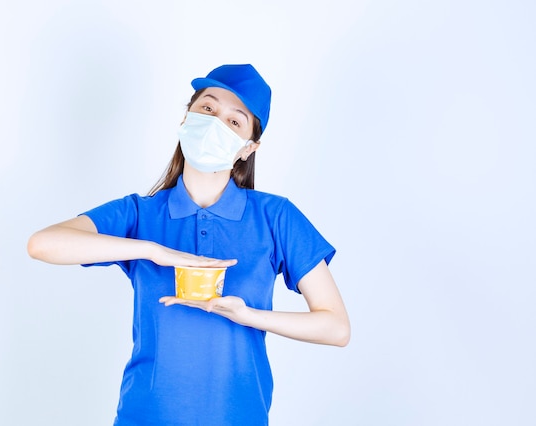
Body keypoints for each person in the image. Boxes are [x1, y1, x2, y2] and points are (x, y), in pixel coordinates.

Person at [27, 63, 350, 426]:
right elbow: (43, 244)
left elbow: (336, 327)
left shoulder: (275, 217)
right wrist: (151, 250)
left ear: (248, 147)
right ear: (186, 119)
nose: (215, 123)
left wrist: (248, 317)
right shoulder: (140, 214)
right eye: (207, 109)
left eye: (234, 121)